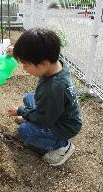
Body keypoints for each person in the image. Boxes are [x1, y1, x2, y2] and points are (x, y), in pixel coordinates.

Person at [7, 28, 82, 166]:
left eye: (26, 65)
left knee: (25, 131)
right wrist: (17, 53)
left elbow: (43, 119)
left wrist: (21, 111)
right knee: (29, 97)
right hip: (57, 111)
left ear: (43, 63)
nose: (24, 69)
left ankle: (62, 146)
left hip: (63, 125)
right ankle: (32, 118)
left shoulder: (53, 88)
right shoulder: (55, 63)